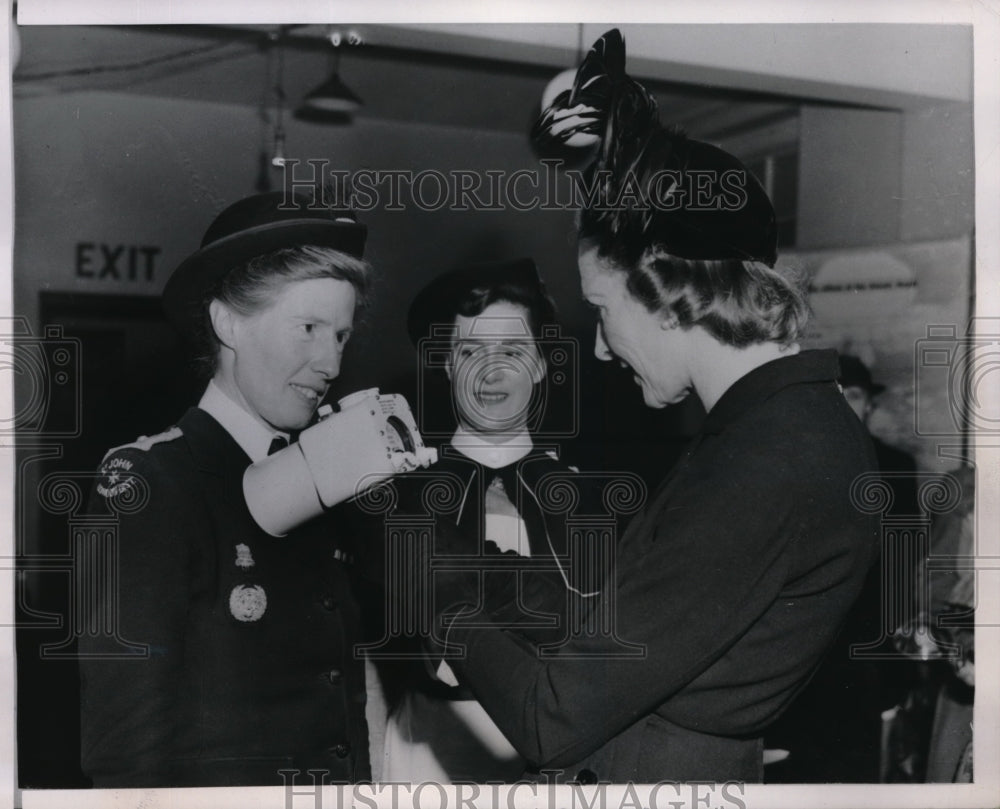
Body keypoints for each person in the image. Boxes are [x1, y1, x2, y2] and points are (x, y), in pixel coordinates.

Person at [407, 29, 880, 783]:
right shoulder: (776, 428)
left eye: (602, 308)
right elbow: (622, 604)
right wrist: (472, 562)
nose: (598, 347)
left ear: (662, 287)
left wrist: (431, 588)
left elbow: (549, 717)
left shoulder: (769, 459)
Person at [78, 191, 374, 787]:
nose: (331, 364)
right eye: (309, 328)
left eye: (340, 336)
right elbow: (123, 756)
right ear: (227, 321)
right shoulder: (150, 483)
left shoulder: (328, 475)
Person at [362, 258, 608, 782]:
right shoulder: (396, 494)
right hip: (428, 752)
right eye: (470, 351)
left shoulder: (588, 501)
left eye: (513, 352)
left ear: (542, 364)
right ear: (447, 365)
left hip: (563, 757)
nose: (490, 373)